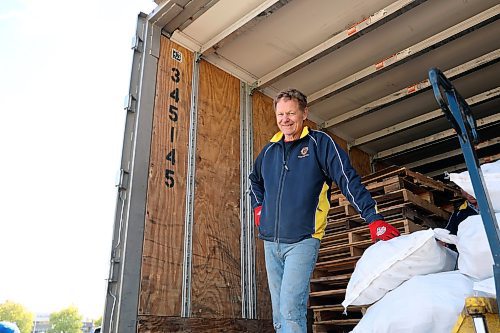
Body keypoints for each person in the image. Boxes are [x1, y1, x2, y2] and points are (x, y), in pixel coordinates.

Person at [249, 88, 400, 332]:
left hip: (303, 239)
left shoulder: (320, 144)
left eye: (291, 113)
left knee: (290, 309)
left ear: (304, 113)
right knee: (278, 314)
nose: (285, 119)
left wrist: (373, 218)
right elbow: (253, 180)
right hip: (270, 242)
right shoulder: (269, 150)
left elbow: (347, 179)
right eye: (280, 114)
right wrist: (258, 207)